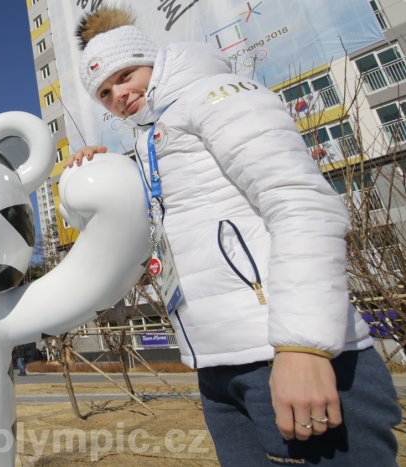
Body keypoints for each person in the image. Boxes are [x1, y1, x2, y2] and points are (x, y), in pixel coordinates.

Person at [67, 7, 400, 466]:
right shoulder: (153, 140)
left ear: (153, 61)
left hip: (288, 355)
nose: (119, 95)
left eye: (125, 76)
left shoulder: (217, 96)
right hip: (220, 367)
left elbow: (300, 202)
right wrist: (101, 174)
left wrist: (303, 346)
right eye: (104, 93)